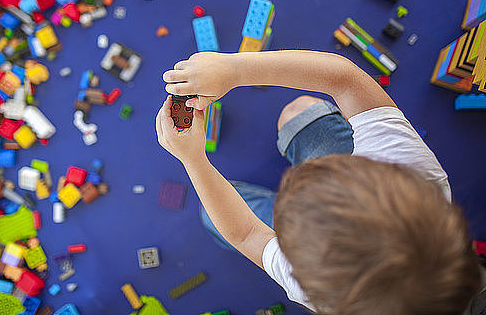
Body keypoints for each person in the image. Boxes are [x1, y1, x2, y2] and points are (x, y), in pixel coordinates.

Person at [155, 50, 482, 314]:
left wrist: (193, 160)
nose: (291, 182)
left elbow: (246, 233)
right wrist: (236, 69)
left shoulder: (313, 287)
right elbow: (345, 79)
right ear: (384, 172)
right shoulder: (416, 173)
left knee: (210, 215)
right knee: (300, 111)